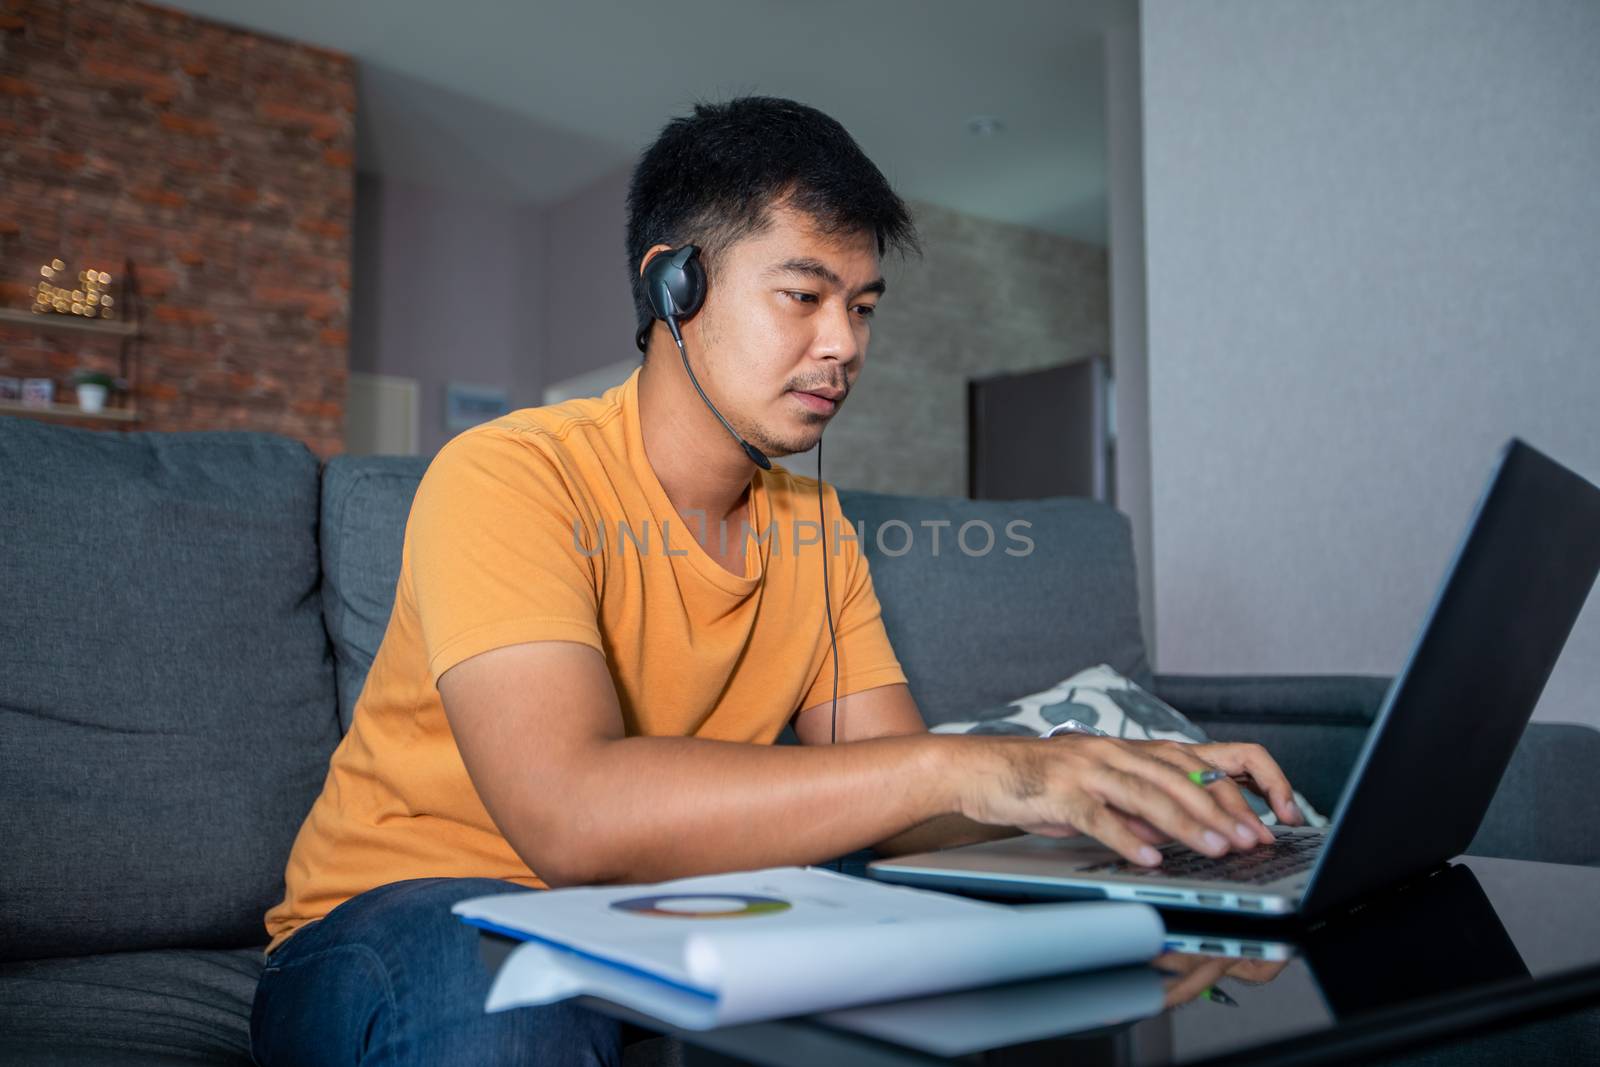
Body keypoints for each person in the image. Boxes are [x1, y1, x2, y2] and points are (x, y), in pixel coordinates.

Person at [250, 95, 1305, 1066]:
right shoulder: (512, 472)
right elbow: (567, 815)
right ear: (676, 285)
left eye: (863, 307)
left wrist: (1113, 780)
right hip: (403, 915)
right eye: (803, 295)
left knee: (985, 961)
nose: (842, 345)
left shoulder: (815, 529)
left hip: (676, 917)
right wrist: (974, 767)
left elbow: (893, 798)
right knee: (503, 997)